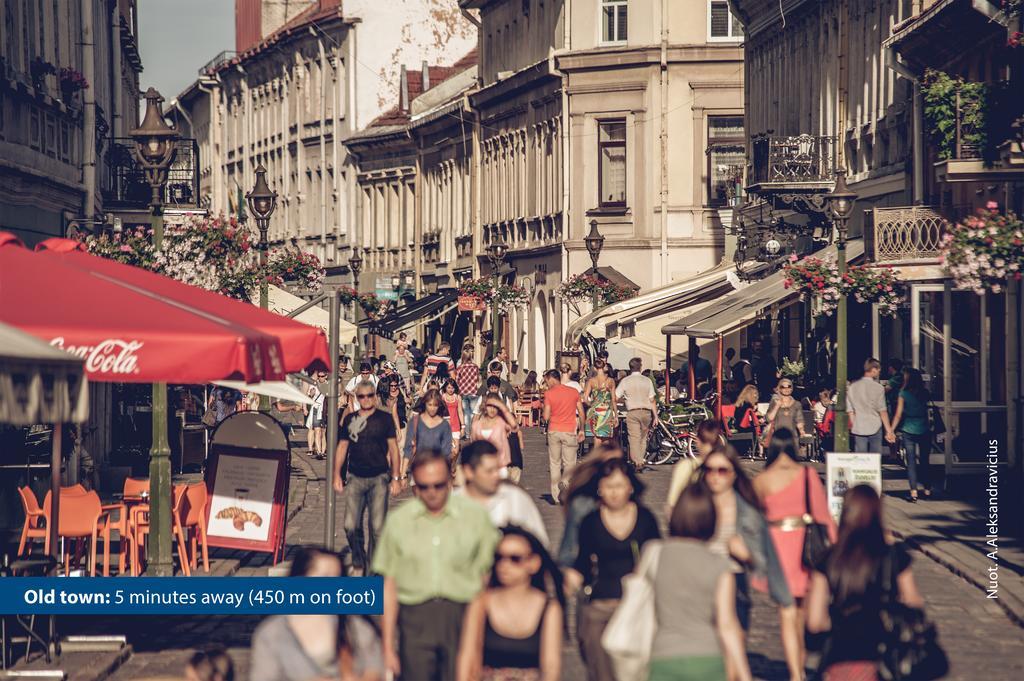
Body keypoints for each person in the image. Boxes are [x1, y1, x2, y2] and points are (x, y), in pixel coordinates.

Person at [373, 450, 500, 681]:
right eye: (424, 486)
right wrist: (387, 646)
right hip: (415, 619)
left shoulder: (475, 518)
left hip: (463, 616)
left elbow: (488, 580)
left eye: (438, 485)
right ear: (415, 486)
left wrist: (484, 641)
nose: (432, 493)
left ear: (450, 480)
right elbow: (388, 586)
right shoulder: (399, 522)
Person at [806, 485, 925, 680]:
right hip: (882, 658)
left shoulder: (828, 559)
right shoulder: (893, 556)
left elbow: (814, 622)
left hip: (840, 659)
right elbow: (913, 602)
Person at [700, 447, 793, 680]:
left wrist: (746, 553)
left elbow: (763, 557)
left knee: (732, 650)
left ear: (733, 474)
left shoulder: (747, 511)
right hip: (701, 584)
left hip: (734, 583)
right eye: (709, 470)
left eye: (722, 470)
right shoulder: (695, 504)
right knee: (710, 651)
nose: (715, 475)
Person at [564, 458, 661, 681]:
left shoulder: (646, 519)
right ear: (599, 489)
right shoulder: (590, 521)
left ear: (630, 486)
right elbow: (582, 563)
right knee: (601, 673)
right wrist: (568, 582)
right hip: (600, 607)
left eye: (619, 486)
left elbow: (656, 559)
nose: (614, 493)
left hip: (636, 608)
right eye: (608, 487)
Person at [753, 429, 837, 681]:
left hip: (778, 549)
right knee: (801, 612)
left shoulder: (762, 480)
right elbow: (823, 517)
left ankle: (795, 673)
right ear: (793, 446)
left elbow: (755, 520)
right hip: (806, 549)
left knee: (787, 613)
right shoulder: (807, 475)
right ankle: (799, 666)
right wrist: (837, 548)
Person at [646, 482, 752, 681]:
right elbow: (727, 625)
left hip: (663, 655)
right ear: (712, 520)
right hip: (707, 658)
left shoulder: (654, 554)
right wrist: (744, 675)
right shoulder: (720, 566)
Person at [249, 548, 383, 681]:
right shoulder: (272, 634)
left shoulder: (353, 625)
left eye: (337, 578)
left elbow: (376, 666)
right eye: (325, 577)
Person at [456, 526, 564, 681]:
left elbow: (551, 667)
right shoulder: (481, 603)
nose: (504, 565)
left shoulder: (549, 608)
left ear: (534, 563)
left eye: (515, 558)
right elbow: (467, 657)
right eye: (499, 557)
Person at [333, 382, 402, 575]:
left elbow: (394, 449)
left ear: (375, 396)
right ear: (356, 397)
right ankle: (358, 560)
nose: (366, 399)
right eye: (361, 396)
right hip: (355, 477)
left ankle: (372, 570)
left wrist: (396, 477)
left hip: (379, 477)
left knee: (377, 528)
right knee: (350, 525)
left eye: (369, 395)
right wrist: (336, 474)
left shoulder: (385, 419)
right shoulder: (350, 420)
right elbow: (342, 448)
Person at [456, 441, 549, 545]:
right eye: (489, 471)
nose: (497, 475)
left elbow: (540, 543)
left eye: (498, 469)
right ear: (469, 472)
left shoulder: (516, 499)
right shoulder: (453, 505)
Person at [555, 443, 625, 568]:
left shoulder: (636, 507)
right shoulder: (582, 506)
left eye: (621, 465)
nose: (615, 470)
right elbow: (568, 552)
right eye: (609, 466)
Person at [542, 369, 586, 503]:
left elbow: (546, 416)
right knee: (570, 463)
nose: (546, 384)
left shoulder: (549, 394)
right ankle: (566, 483)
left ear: (551, 379)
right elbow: (581, 412)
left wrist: (545, 412)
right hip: (569, 431)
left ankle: (555, 496)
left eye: (546, 381)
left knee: (554, 463)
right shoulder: (573, 392)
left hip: (554, 430)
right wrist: (582, 429)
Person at [889, 367, 933, 502]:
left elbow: (898, 414)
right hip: (925, 429)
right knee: (925, 460)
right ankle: (927, 490)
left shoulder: (903, 394)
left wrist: (890, 430)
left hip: (908, 430)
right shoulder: (925, 393)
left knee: (911, 462)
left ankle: (913, 492)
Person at [666, 419, 724, 513]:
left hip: (691, 519)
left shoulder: (686, 466)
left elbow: (672, 504)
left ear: (697, 441)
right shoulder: (727, 464)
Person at [615, 357, 659, 471]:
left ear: (630, 367)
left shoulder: (625, 381)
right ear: (640, 367)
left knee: (634, 438)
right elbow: (652, 399)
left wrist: (626, 400)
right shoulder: (647, 380)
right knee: (643, 438)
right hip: (646, 412)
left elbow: (615, 397)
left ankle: (638, 461)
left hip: (632, 412)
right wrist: (656, 416)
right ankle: (640, 460)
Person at [847, 358, 895, 453]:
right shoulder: (879, 388)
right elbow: (882, 411)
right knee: (875, 458)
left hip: (859, 426)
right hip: (875, 426)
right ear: (873, 370)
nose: (879, 373)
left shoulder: (852, 387)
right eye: (878, 371)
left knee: (861, 458)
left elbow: (850, 410)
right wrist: (889, 430)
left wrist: (855, 423)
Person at [404, 390, 454, 473]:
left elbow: (446, 452)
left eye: (435, 405)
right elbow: (408, 449)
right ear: (425, 404)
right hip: (418, 467)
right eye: (430, 405)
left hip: (437, 468)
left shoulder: (444, 425)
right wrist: (402, 474)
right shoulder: (415, 421)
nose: (432, 408)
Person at [471, 396, 518, 480]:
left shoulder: (501, 422)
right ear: (484, 407)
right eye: (489, 406)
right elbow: (473, 447)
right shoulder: (477, 425)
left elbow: (514, 426)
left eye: (495, 407)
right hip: (483, 465)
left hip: (500, 465)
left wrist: (503, 408)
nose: (492, 409)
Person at [583, 360, 617, 446]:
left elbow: (585, 398)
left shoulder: (591, 381)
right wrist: (616, 415)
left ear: (594, 368)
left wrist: (591, 405)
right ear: (604, 367)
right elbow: (613, 399)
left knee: (596, 439)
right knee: (606, 439)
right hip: (606, 411)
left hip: (595, 410)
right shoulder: (610, 381)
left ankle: (596, 458)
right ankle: (604, 458)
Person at [764, 378, 807, 444]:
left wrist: (802, 431)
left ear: (792, 388)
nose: (786, 389)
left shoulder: (797, 404)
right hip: (777, 437)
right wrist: (777, 406)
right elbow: (769, 419)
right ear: (779, 388)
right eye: (783, 387)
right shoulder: (774, 402)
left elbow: (799, 420)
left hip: (792, 438)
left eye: (789, 386)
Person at [455, 345, 482, 428]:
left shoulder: (459, 367)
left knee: (466, 413)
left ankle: (467, 433)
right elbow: (478, 379)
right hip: (473, 391)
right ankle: (472, 432)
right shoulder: (475, 367)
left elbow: (456, 380)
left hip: (463, 392)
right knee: (474, 413)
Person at [731, 384, 761, 457]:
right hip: (744, 427)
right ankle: (760, 451)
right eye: (755, 393)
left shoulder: (740, 404)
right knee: (761, 429)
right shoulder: (746, 405)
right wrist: (755, 413)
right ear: (749, 394)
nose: (756, 396)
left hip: (739, 426)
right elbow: (746, 419)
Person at [442, 379, 466, 465]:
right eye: (448, 387)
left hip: (455, 426)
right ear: (445, 387)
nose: (450, 389)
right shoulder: (442, 397)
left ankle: (452, 465)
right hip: (445, 427)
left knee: (456, 451)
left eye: (452, 388)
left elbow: (460, 411)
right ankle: (447, 468)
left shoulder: (457, 397)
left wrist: (463, 426)